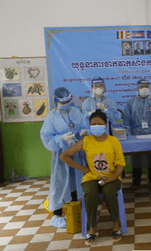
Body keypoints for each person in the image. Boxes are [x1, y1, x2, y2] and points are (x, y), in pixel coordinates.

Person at [60, 109, 125, 245]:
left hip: (111, 177)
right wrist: (84, 169)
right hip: (91, 178)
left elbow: (120, 164)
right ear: (89, 126)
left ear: (105, 125)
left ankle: (116, 225)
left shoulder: (113, 141)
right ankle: (93, 228)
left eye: (99, 124)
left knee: (109, 192)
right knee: (90, 194)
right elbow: (64, 155)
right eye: (93, 124)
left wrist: (114, 178)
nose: (96, 126)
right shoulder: (86, 141)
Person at [40, 87, 87, 227]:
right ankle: (58, 214)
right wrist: (61, 138)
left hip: (77, 153)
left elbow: (82, 126)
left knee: (76, 182)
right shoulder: (52, 116)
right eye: (63, 102)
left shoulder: (75, 111)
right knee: (60, 183)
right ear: (56, 102)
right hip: (61, 155)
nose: (66, 104)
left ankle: (76, 210)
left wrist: (82, 132)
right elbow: (46, 138)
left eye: (68, 101)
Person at [123, 79, 151, 188]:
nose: (144, 89)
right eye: (142, 87)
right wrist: (129, 136)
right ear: (137, 89)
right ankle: (136, 180)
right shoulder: (131, 102)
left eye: (146, 86)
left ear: (149, 88)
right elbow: (126, 121)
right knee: (136, 158)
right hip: (135, 134)